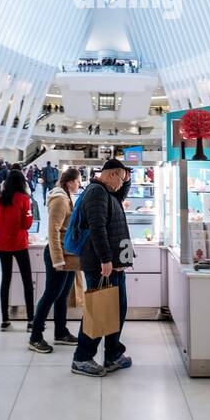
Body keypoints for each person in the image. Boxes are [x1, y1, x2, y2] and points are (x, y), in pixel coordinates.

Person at [70, 159, 133, 377]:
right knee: (98, 310)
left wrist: (127, 181)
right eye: (121, 178)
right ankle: (82, 358)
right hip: (101, 264)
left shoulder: (108, 192)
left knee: (117, 310)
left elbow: (118, 197)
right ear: (112, 175)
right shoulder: (96, 192)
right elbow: (97, 227)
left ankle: (113, 354)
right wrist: (106, 259)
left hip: (116, 264)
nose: (121, 184)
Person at [30, 166, 83, 353]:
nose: (79, 184)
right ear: (69, 182)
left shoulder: (67, 197)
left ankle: (61, 331)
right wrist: (57, 259)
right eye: (78, 181)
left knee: (62, 295)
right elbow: (53, 231)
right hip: (58, 255)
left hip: (68, 254)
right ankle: (35, 336)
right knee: (50, 295)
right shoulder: (60, 200)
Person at [0, 169, 34, 332]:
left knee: (5, 280)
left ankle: (5, 319)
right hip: (19, 244)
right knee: (27, 281)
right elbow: (27, 224)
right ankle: (30, 320)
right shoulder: (24, 199)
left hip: (2, 245)